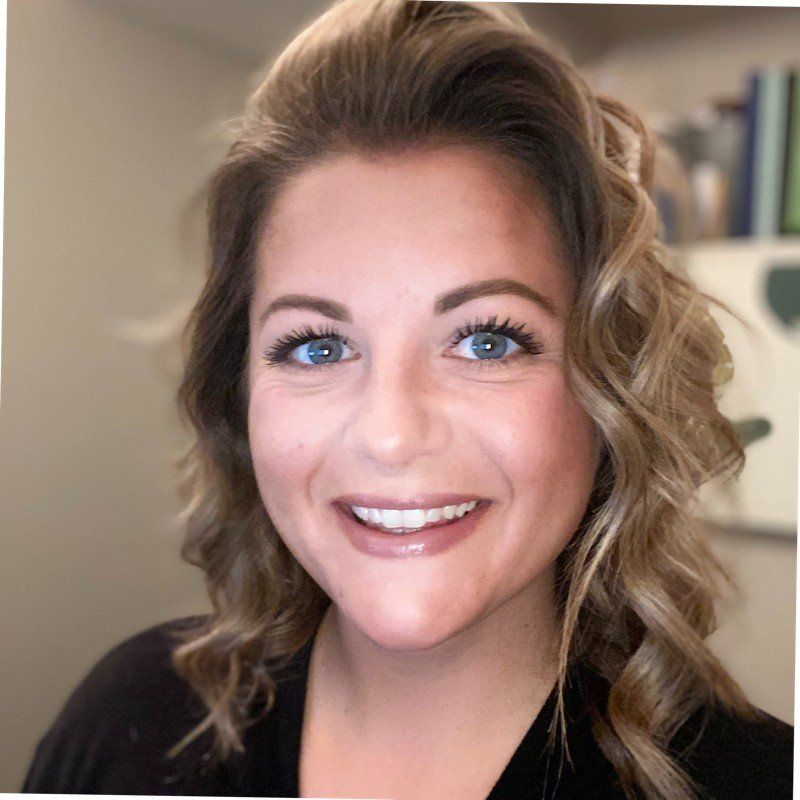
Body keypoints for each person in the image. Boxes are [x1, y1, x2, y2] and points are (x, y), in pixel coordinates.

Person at [21, 1, 793, 798]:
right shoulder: (127, 721)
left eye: (487, 340)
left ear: (609, 392)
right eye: (317, 347)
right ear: (241, 398)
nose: (390, 435)